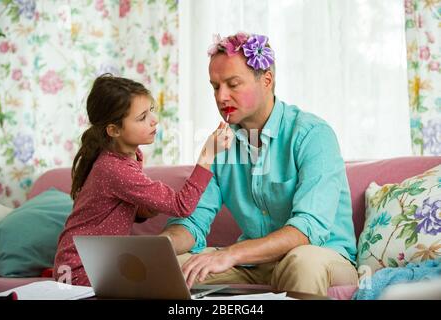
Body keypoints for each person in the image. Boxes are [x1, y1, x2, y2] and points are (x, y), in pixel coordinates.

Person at [160, 32, 358, 296]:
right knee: (170, 269)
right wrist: (160, 246)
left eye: (233, 84)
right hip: (254, 262)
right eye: (215, 86)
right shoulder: (221, 146)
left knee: (303, 262)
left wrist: (231, 253)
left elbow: (307, 230)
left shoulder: (313, 135)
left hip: (323, 255)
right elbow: (194, 222)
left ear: (266, 80)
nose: (221, 97)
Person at [53, 74, 233, 286]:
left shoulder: (129, 155)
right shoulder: (114, 168)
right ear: (114, 130)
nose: (154, 120)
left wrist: (143, 210)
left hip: (96, 263)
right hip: (79, 268)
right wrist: (208, 154)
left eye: (151, 111)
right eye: (142, 118)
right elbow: (182, 206)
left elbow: (112, 209)